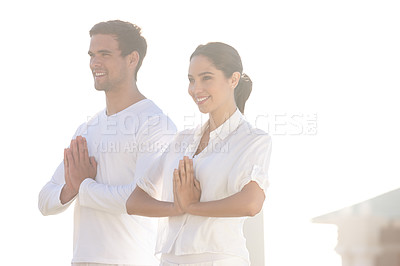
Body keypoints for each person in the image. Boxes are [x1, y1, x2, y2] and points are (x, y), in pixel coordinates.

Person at [38, 20, 176, 266]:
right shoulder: (87, 129)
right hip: (81, 260)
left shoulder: (155, 124)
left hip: (130, 260)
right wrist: (71, 189)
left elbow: (140, 199)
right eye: (92, 55)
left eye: (105, 54)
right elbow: (45, 200)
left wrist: (83, 187)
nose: (94, 63)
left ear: (132, 59)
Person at [125, 42, 272, 266]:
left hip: (219, 259)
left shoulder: (252, 140)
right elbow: (134, 201)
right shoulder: (181, 140)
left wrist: (193, 207)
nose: (196, 88)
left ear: (233, 79)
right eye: (191, 80)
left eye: (206, 78)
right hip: (170, 260)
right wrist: (176, 207)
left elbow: (251, 203)